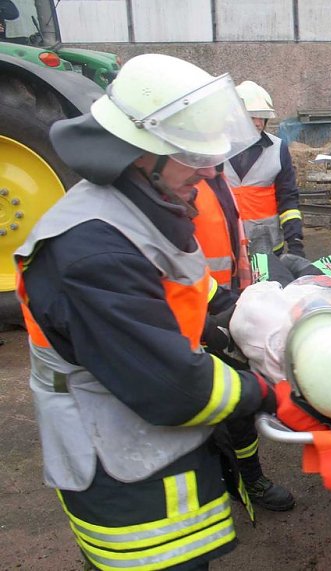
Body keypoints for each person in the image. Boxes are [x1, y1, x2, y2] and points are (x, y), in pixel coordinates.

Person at [14, 53, 288, 570]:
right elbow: (174, 388)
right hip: (127, 488)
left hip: (150, 458)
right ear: (140, 150)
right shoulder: (91, 251)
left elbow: (194, 294)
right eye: (193, 154)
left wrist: (270, 317)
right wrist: (277, 396)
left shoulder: (138, 211)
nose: (210, 171)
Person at [192, 170, 298, 513]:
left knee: (237, 409)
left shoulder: (215, 180)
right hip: (188, 319)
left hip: (224, 304)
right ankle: (211, 487)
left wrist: (237, 306)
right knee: (207, 413)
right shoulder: (173, 183)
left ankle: (250, 479)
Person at [224, 80, 305, 258]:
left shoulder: (278, 148)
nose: (259, 123)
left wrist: (295, 244)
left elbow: (288, 199)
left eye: (262, 117)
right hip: (227, 248)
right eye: (252, 117)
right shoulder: (216, 149)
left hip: (269, 249)